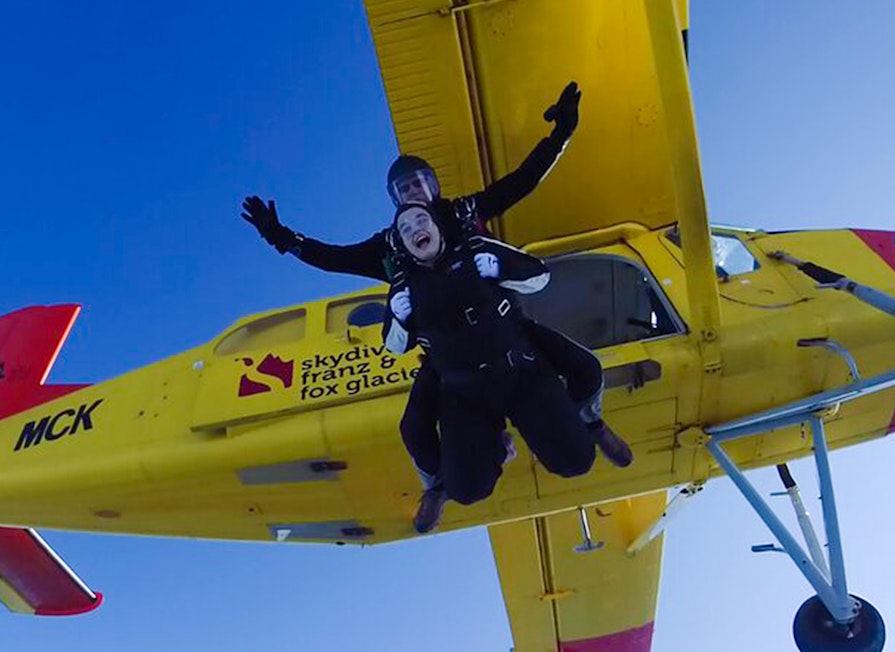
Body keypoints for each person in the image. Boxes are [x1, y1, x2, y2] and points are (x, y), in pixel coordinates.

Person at [241, 81, 630, 533]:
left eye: (421, 184)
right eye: (405, 189)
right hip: (453, 367)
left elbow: (521, 183)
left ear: (435, 186)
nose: (416, 195)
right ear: (395, 200)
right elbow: (334, 258)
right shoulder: (391, 247)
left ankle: (591, 420)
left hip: (509, 342)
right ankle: (439, 482)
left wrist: (561, 134)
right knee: (419, 436)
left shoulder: (463, 214)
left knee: (585, 381)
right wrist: (284, 239)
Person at [382, 202, 604, 506]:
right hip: (465, 391)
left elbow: (540, 278)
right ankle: (486, 454)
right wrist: (398, 317)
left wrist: (501, 267)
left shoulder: (475, 250)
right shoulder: (404, 286)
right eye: (406, 229)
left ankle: (587, 420)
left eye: (422, 220)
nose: (416, 230)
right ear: (405, 246)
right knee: (467, 490)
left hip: (520, 371)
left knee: (576, 460)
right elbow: (394, 346)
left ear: (436, 225)